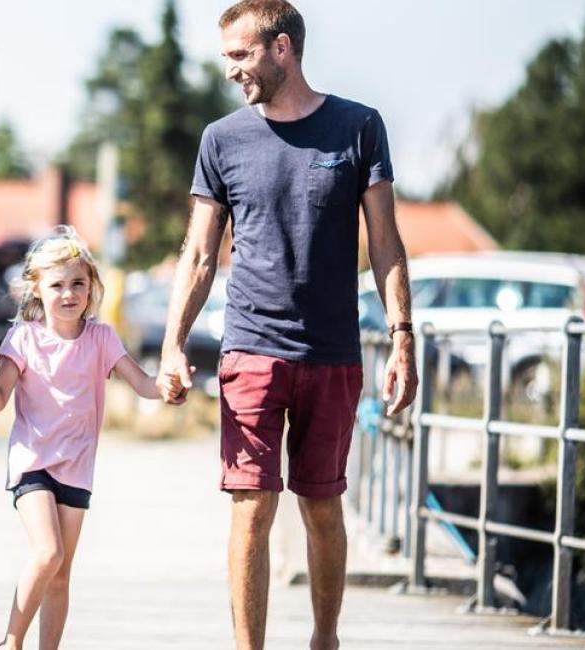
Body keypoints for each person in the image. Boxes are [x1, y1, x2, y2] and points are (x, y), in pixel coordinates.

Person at [157, 2, 418, 649]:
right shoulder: (222, 140)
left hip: (332, 351)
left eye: (240, 56)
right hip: (250, 347)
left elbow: (384, 241)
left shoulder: (358, 127)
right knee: (250, 508)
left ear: (282, 49)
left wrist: (403, 336)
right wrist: (171, 343)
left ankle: (324, 638)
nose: (230, 72)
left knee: (321, 508)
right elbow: (196, 253)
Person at [0, 227, 160, 650]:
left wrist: (168, 385)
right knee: (48, 553)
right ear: (37, 289)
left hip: (77, 468)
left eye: (78, 283)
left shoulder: (102, 338)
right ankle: (11, 641)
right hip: (32, 463)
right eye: (57, 285)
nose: (69, 293)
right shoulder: (23, 337)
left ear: (91, 285)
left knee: (60, 575)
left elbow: (143, 384)